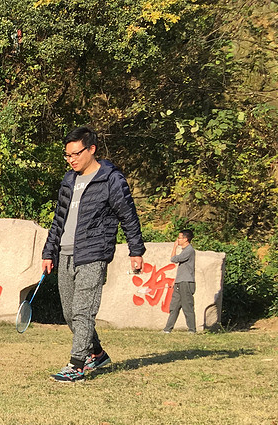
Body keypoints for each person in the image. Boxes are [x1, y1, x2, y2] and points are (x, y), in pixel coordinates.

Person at [41, 127, 145, 382]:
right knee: (69, 313)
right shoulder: (69, 180)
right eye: (67, 155)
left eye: (76, 154)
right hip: (64, 254)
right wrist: (48, 252)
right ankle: (96, 353)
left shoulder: (111, 179)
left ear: (91, 149)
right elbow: (58, 220)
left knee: (83, 311)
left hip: (94, 253)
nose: (71, 159)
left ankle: (77, 365)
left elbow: (128, 216)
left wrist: (136, 251)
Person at [163, 229, 197, 333]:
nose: (178, 240)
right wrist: (176, 281)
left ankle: (192, 330)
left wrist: (174, 247)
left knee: (187, 307)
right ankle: (167, 329)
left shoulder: (189, 250)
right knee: (174, 306)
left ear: (186, 239)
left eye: (179, 238)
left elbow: (174, 259)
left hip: (186, 282)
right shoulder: (184, 251)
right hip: (180, 281)